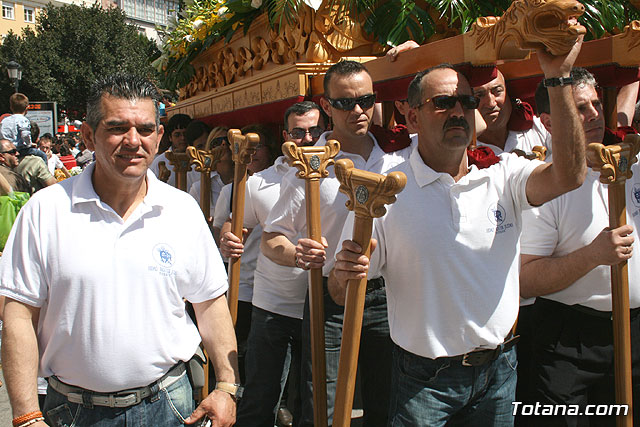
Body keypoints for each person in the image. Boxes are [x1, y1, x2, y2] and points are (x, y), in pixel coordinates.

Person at [332, 37, 587, 425]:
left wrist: (559, 77)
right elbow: (341, 291)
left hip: (500, 373)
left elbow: (569, 175)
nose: (458, 111)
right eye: (443, 102)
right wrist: (344, 271)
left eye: (466, 102)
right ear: (412, 118)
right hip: (423, 383)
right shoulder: (384, 186)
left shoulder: (503, 173)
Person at [0, 73, 240, 427]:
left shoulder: (182, 209)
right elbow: (18, 315)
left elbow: (210, 304)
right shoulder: (44, 210)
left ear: (158, 137)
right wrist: (25, 416)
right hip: (73, 413)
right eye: (117, 127)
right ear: (87, 135)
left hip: (171, 406)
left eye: (145, 129)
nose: (133, 141)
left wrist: (227, 386)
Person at [262, 61, 412, 426]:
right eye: (345, 103)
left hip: (392, 295)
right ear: (326, 107)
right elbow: (271, 238)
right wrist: (297, 253)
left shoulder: (404, 154)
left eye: (366, 100)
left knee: (388, 403)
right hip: (331, 296)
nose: (358, 111)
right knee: (324, 406)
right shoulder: (311, 166)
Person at [518, 68, 640, 425]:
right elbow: (525, 278)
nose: (594, 115)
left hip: (634, 334)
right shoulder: (542, 185)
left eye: (596, 104)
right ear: (549, 122)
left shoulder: (633, 165)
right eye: (579, 108)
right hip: (569, 342)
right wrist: (593, 256)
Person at [219, 102, 328, 427]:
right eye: (298, 132)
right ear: (285, 136)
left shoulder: (342, 173)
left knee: (315, 403)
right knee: (260, 399)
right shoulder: (258, 183)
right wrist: (228, 236)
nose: (307, 138)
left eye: (314, 131)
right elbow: (236, 223)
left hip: (324, 309)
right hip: (272, 308)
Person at [0, 93, 47, 165]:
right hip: (19, 149)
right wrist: (29, 144)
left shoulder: (5, 120)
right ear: (27, 108)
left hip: (5, 149)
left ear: (11, 107)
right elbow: (25, 135)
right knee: (42, 155)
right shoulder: (23, 120)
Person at [150, 113, 193, 187]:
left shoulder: (198, 159)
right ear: (170, 137)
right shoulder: (159, 162)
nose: (182, 138)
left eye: (185, 134)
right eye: (177, 135)